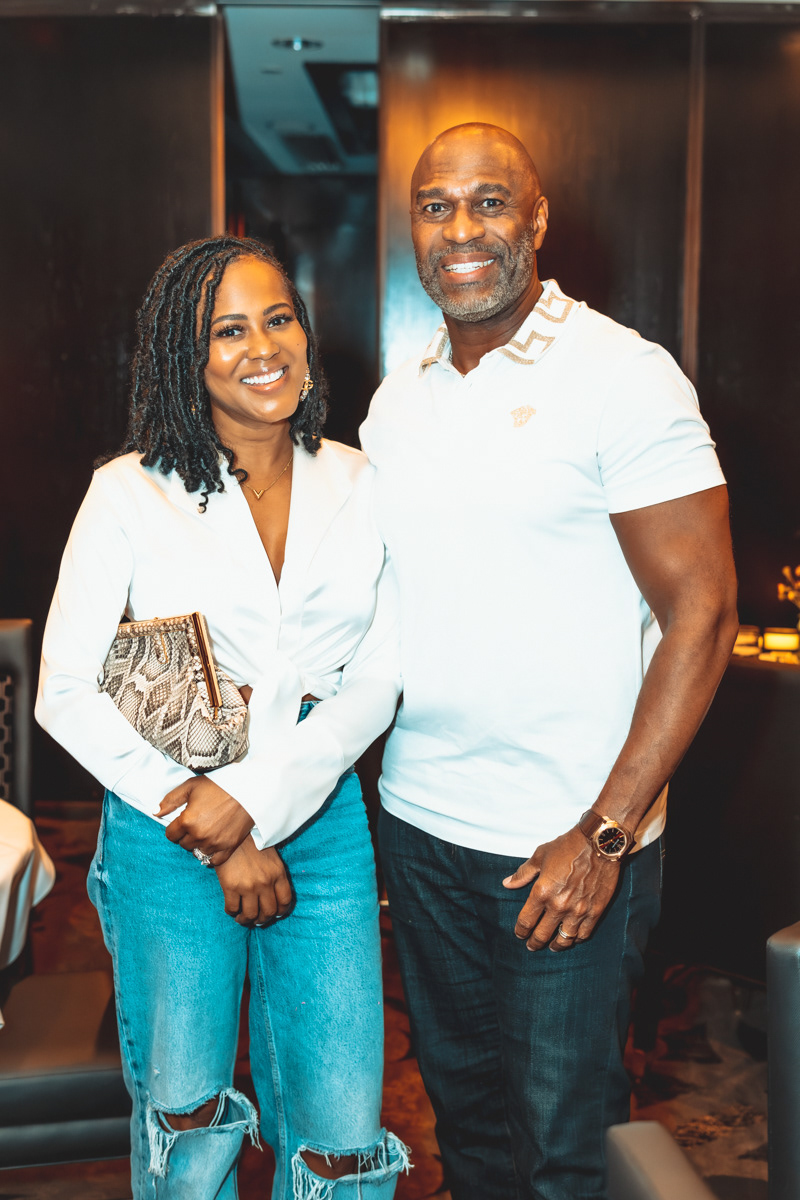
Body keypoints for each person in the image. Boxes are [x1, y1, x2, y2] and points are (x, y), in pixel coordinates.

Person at [360, 124, 738, 1200]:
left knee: (564, 1150)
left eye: (489, 203)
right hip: (422, 825)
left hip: (565, 841)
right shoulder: (399, 398)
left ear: (534, 220)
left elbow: (704, 612)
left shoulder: (623, 375)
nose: (461, 229)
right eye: (436, 206)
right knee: (468, 1129)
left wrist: (606, 832)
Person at [36, 235, 409, 1200]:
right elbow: (64, 688)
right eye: (227, 331)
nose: (262, 347)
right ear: (184, 356)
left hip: (321, 820)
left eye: (278, 319)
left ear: (306, 334)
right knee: (190, 1117)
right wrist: (207, 813)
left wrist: (256, 808)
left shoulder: (362, 482)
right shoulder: (128, 492)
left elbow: (377, 677)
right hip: (169, 822)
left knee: (341, 1135)